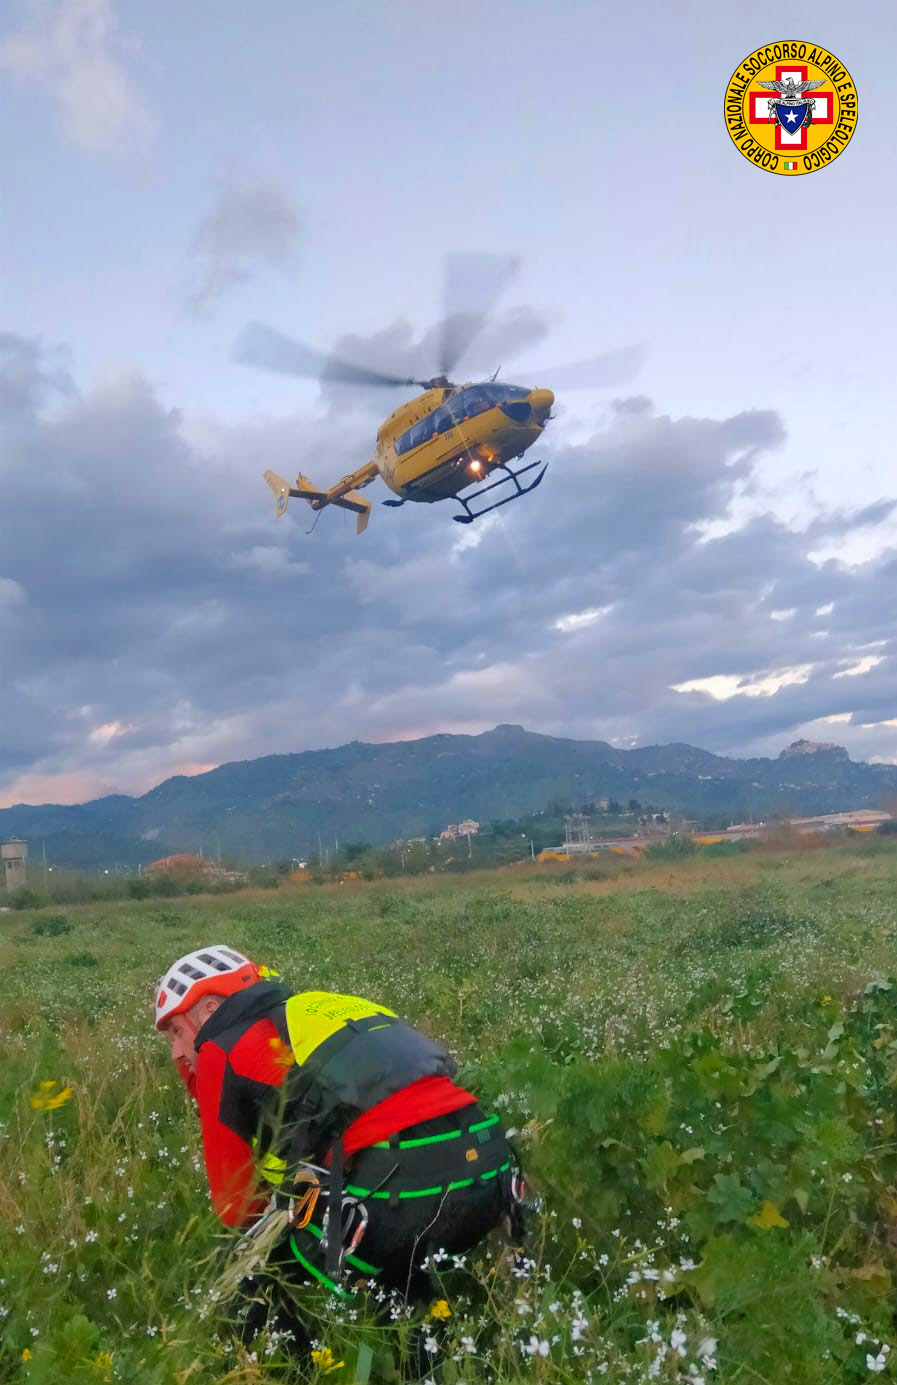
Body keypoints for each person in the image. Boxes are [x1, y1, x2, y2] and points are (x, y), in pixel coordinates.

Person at [154, 945, 520, 1346]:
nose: (175, 1051)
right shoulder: (317, 1011)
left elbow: (236, 1207)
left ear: (209, 1010)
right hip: (493, 1170)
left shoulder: (220, 1049)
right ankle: (426, 1352)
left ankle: (287, 1368)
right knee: (392, 1272)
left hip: (404, 1196)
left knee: (244, 1269)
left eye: (176, 1031)